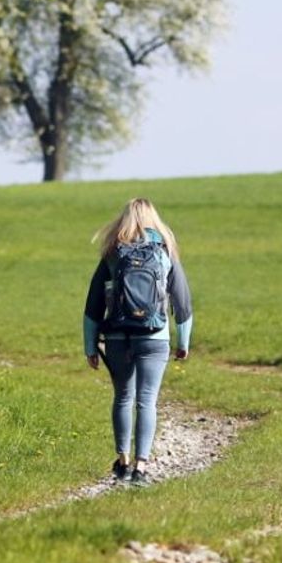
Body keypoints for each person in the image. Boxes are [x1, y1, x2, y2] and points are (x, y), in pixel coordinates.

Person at [84, 197, 193, 483]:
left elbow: (93, 304)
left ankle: (123, 462)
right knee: (147, 401)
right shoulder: (165, 251)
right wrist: (183, 342)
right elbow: (182, 302)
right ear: (153, 219)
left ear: (125, 219)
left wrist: (89, 346)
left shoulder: (112, 252)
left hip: (118, 335)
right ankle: (141, 469)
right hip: (154, 336)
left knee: (123, 397)